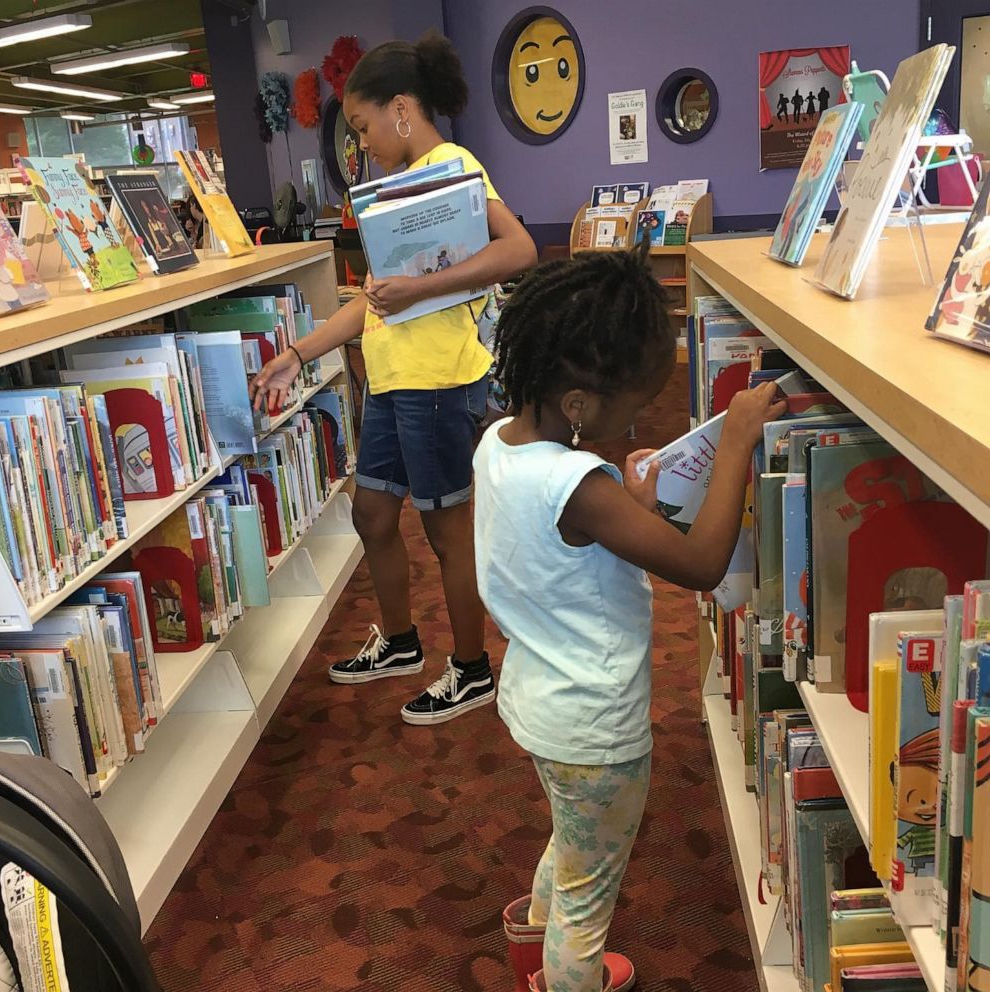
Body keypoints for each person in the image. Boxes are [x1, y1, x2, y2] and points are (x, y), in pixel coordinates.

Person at [475, 245, 786, 992]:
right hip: (596, 728)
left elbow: (563, 543)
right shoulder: (581, 487)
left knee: (576, 841)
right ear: (579, 403)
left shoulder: (498, 445)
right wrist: (736, 440)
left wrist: (632, 500)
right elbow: (702, 564)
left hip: (540, 705)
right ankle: (564, 976)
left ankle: (529, 946)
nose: (640, 414)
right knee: (589, 896)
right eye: (632, 402)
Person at [250, 33, 536, 725]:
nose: (363, 144)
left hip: (437, 380)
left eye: (365, 126)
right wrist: (300, 350)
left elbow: (521, 247)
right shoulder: (391, 188)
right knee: (372, 514)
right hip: (390, 378)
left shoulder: (452, 164)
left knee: (446, 531)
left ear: (401, 109)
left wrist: (422, 286)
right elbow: (375, 304)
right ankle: (402, 642)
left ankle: (471, 671)